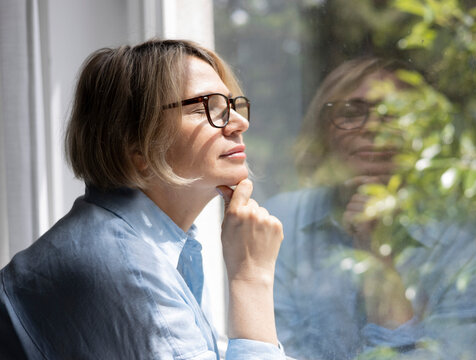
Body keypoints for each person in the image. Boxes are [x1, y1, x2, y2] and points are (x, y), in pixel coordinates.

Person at [0, 39, 286, 359]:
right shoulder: (125, 264)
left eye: (232, 105)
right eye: (204, 107)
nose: (239, 123)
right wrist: (251, 277)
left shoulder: (153, 244)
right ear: (136, 144)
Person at [265, 57, 476, 359]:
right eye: (351, 112)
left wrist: (381, 265)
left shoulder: (469, 242)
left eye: (393, 114)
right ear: (323, 130)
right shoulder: (281, 222)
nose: (373, 127)